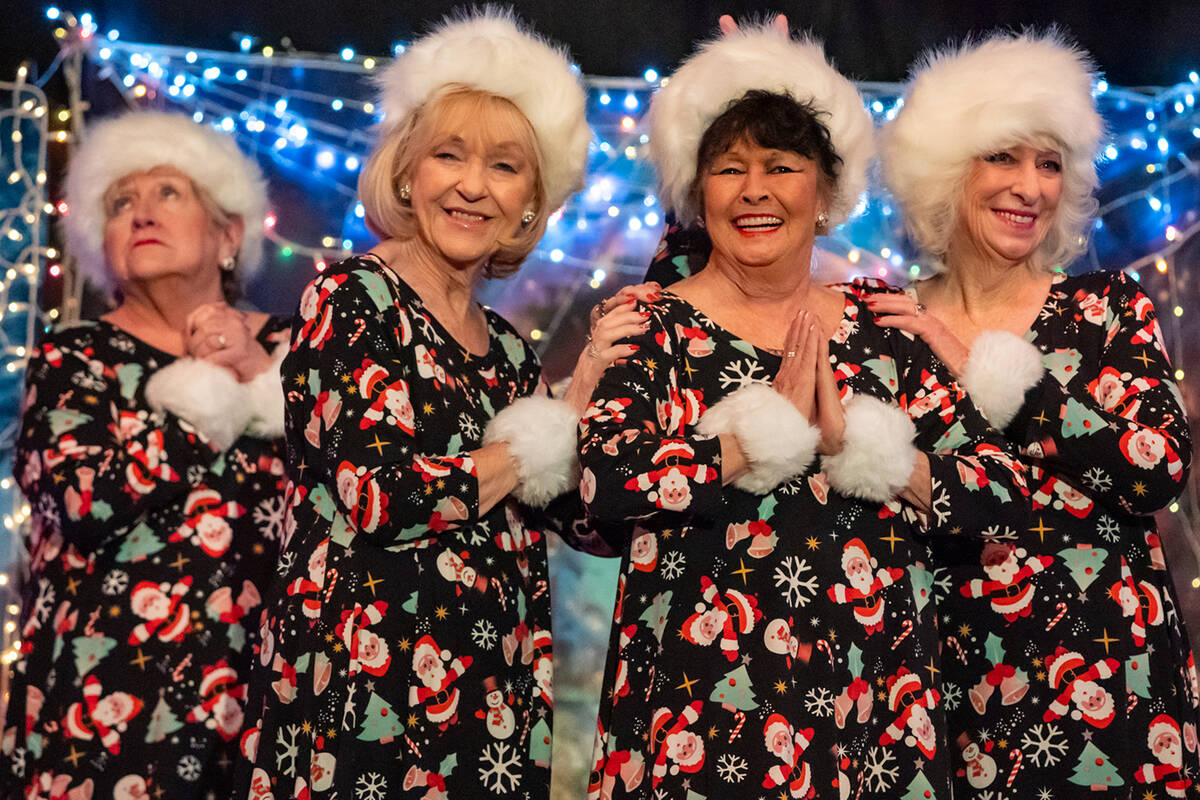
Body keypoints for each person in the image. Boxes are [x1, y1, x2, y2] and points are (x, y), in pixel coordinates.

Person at [580, 22, 1031, 799]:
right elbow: (605, 485)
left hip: (872, 710)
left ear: (823, 193)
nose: (754, 189)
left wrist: (867, 448)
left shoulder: (880, 326)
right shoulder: (652, 326)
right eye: (729, 169)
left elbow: (1001, 495)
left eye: (781, 166)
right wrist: (753, 445)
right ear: (699, 194)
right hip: (698, 716)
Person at [235, 11, 654, 799]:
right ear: (405, 172)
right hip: (363, 701)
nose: (471, 185)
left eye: (503, 166)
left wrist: (591, 394)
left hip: (489, 705)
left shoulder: (506, 348)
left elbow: (587, 524)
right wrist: (535, 444)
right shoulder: (352, 297)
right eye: (448, 155)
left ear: (531, 201)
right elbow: (384, 495)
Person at [869, 31, 1199, 794]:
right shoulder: (885, 325)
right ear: (946, 169)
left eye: (1050, 164)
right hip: (959, 697)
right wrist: (774, 100)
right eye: (1003, 157)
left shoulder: (1105, 310)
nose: (1030, 186)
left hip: (1115, 695)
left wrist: (996, 381)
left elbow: (1154, 468)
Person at [1, 111, 288, 799]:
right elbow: (80, 501)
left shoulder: (293, 350)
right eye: (120, 203)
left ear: (230, 233)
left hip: (264, 700)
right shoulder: (72, 359)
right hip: (104, 708)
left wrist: (257, 374)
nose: (140, 213)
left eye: (168, 192)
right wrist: (211, 396)